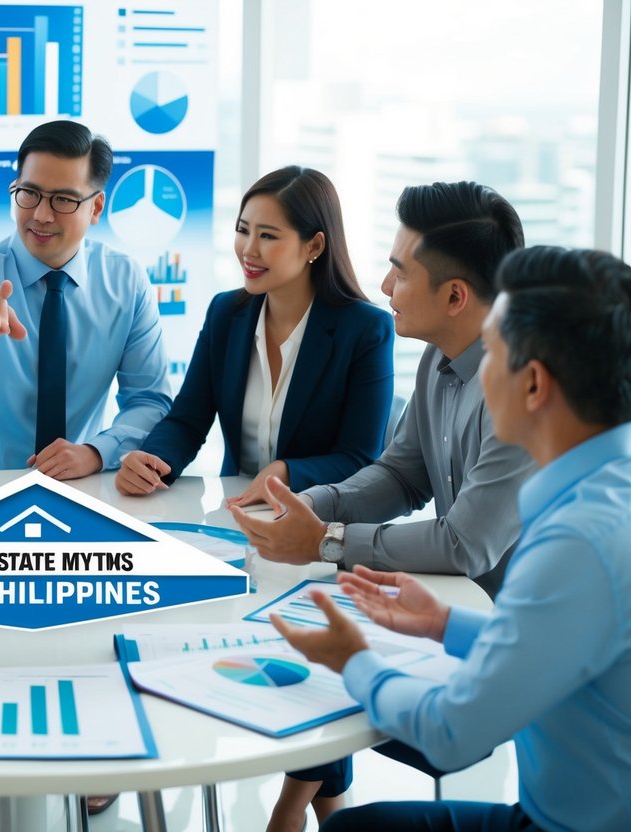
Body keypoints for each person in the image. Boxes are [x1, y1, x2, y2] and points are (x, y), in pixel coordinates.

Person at [276, 246, 631, 832]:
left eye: (493, 350)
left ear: (534, 384)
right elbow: (561, 641)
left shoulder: (578, 540)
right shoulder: (608, 492)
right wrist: (445, 623)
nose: (475, 368)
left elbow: (451, 734)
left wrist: (355, 663)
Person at [231, 180, 534, 832]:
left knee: (310, 674)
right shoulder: (437, 359)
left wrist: (326, 541)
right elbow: (399, 477)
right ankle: (304, 797)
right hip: (442, 608)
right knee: (294, 654)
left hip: (496, 641)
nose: (383, 286)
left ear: (454, 296)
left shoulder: (521, 388)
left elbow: (463, 545)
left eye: (398, 271)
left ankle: (298, 803)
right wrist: (300, 507)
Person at [0, 119, 172, 478]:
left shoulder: (126, 282)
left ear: (96, 208)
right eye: (29, 194)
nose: (41, 215)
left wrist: (95, 452)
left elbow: (149, 399)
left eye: (63, 199)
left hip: (84, 477)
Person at [116, 165, 394, 505]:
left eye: (267, 236)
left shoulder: (366, 329)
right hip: (234, 515)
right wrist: (153, 460)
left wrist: (286, 472)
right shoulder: (226, 313)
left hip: (316, 520)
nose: (248, 249)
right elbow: (187, 421)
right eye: (243, 230)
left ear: (314, 246)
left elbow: (359, 458)